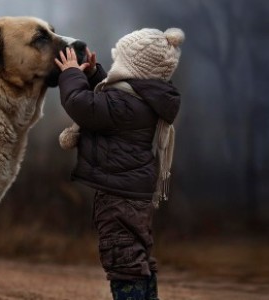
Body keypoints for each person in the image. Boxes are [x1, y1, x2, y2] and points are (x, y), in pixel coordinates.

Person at [54, 28, 184, 300]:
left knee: (122, 258)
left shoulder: (124, 105)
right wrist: (92, 74)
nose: (115, 68)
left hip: (118, 197)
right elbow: (111, 101)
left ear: (131, 66)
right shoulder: (144, 99)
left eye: (119, 62)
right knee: (137, 254)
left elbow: (82, 104)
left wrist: (71, 74)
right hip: (135, 193)